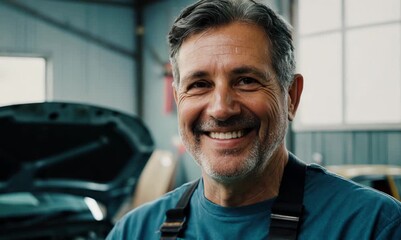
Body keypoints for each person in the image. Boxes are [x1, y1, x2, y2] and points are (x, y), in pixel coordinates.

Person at [107, 0, 401, 239]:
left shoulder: (372, 226)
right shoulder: (134, 231)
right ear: (177, 96)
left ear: (291, 96)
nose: (221, 109)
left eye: (246, 80)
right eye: (199, 84)